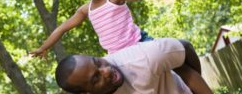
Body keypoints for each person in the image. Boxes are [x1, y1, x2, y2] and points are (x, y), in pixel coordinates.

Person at [31, 0, 206, 93]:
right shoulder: (86, 9)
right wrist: (44, 47)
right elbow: (62, 28)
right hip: (116, 58)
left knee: (180, 66)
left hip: (139, 44)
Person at [55, 38, 212, 94]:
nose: (106, 71)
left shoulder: (146, 57)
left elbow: (185, 48)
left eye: (98, 62)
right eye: (96, 78)